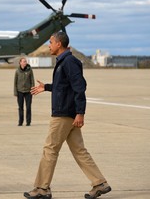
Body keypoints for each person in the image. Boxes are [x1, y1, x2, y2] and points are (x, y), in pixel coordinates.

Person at [24, 32, 111, 199]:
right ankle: (100, 183)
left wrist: (81, 113)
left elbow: (79, 87)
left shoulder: (69, 62)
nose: (48, 45)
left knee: (50, 149)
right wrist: (47, 87)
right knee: (79, 150)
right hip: (68, 113)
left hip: (64, 114)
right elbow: (65, 86)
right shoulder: (65, 62)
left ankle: (42, 188)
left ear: (59, 44)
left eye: (50, 42)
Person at [14, 57, 35, 126]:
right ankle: (20, 121)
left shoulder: (29, 70)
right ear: (20, 63)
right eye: (23, 61)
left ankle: (28, 122)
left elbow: (32, 80)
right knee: (20, 107)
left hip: (28, 92)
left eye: (25, 61)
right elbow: (15, 82)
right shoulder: (17, 71)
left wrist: (33, 90)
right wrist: (15, 92)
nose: (25, 63)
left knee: (28, 107)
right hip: (20, 91)